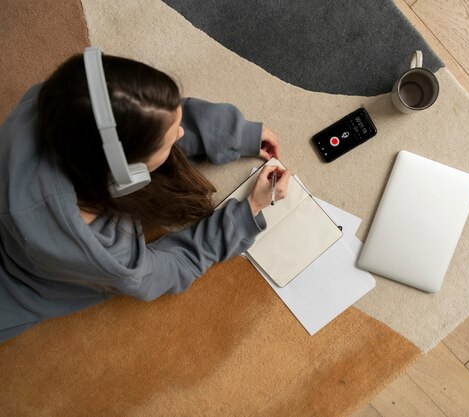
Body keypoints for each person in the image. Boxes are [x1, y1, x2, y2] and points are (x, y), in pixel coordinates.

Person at [0, 52, 290, 343]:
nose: (181, 133)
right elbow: (170, 268)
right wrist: (249, 209)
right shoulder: (105, 254)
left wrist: (233, 133)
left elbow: (139, 120)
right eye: (168, 140)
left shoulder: (53, 101)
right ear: (127, 175)